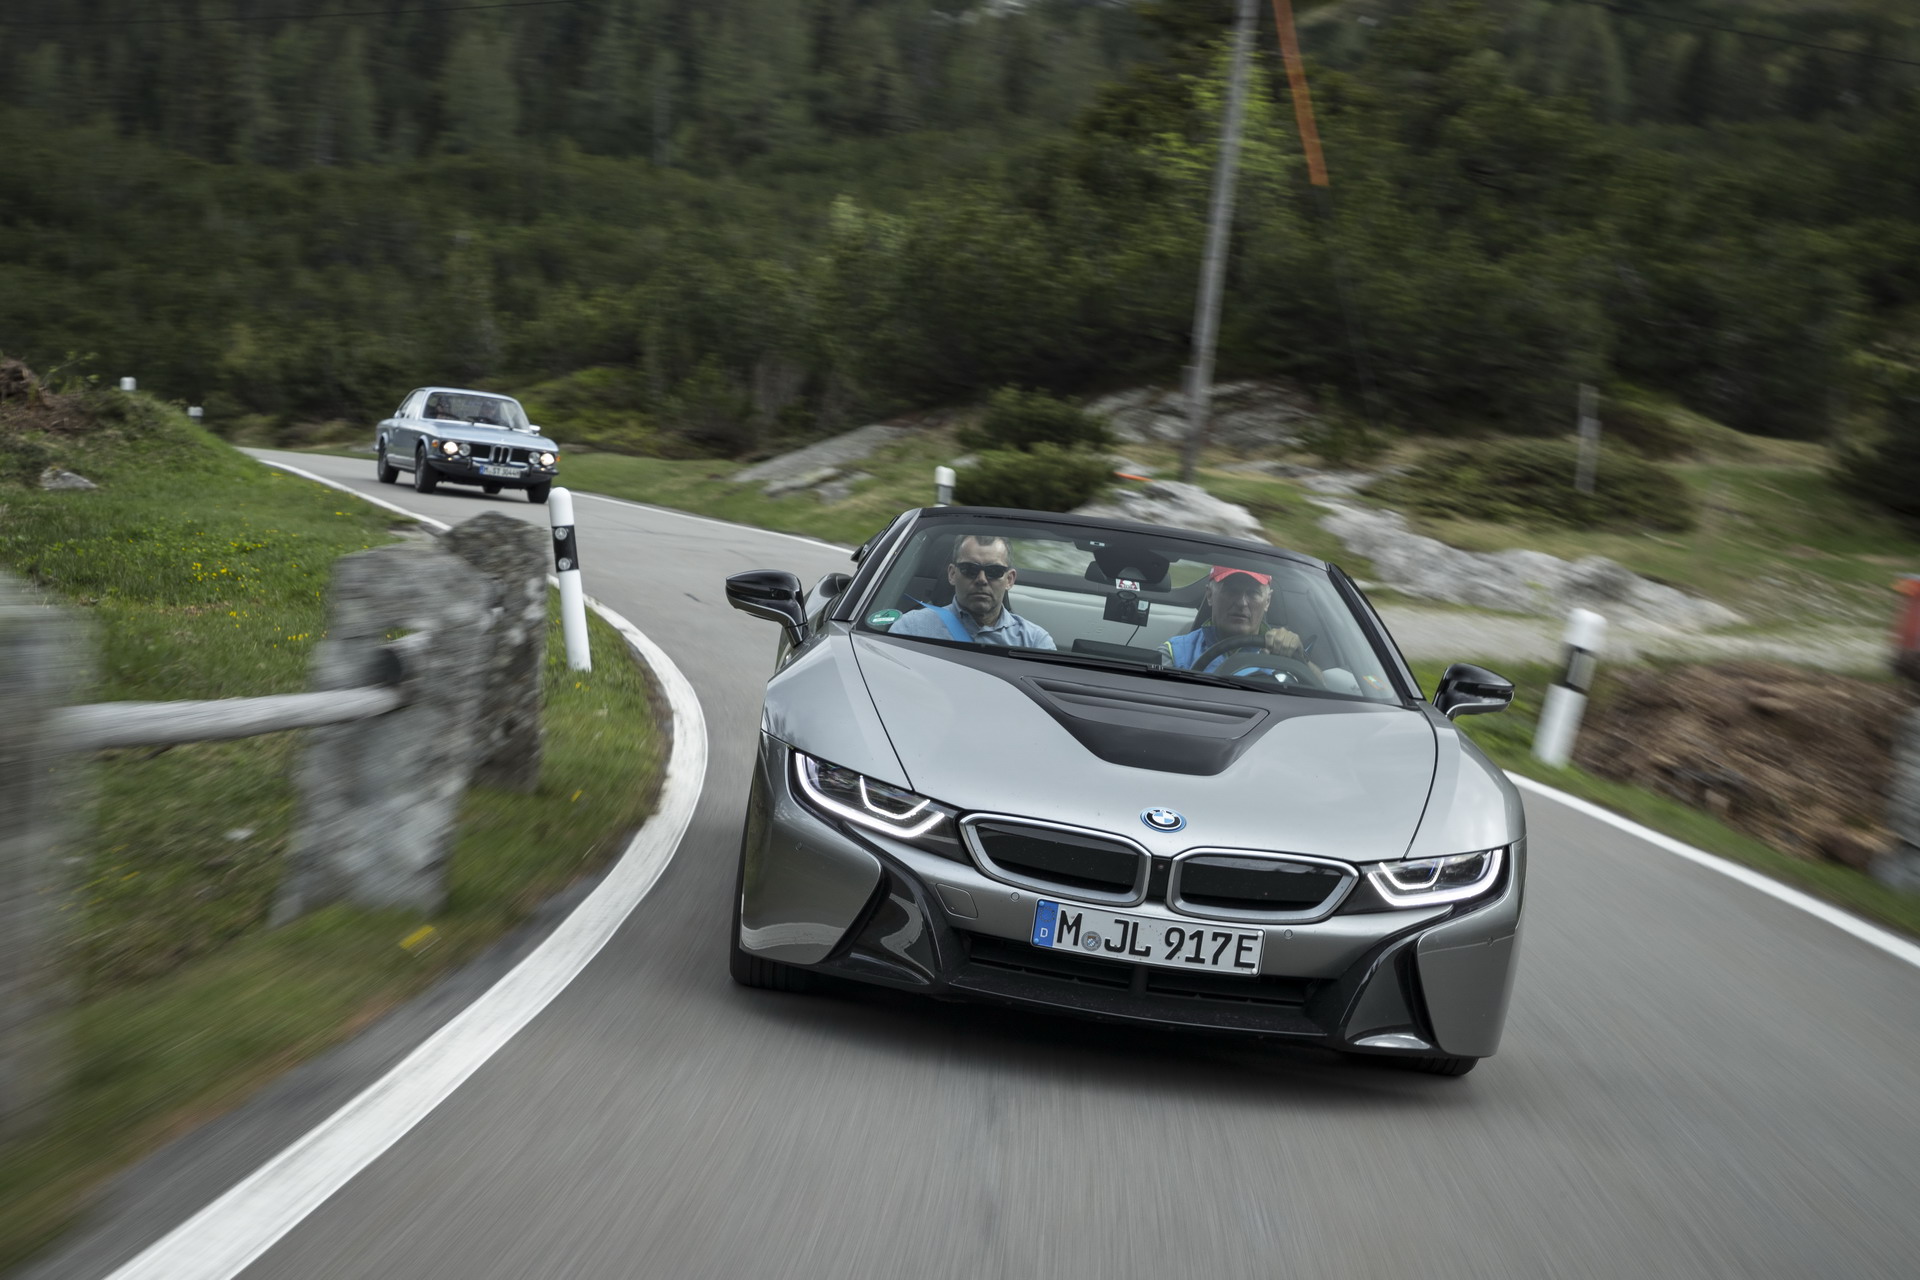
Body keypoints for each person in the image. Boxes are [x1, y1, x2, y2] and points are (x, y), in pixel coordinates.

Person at [889, 534, 1056, 650]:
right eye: (970, 569)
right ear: (952, 574)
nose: (981, 579)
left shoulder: (1035, 641)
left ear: (1009, 580)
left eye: (994, 571)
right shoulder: (911, 628)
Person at [1162, 567, 1311, 673]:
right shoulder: (1176, 652)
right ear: (1209, 595)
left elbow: (1318, 688)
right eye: (1231, 591)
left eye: (1252, 593)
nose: (1242, 602)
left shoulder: (1284, 650)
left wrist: (1300, 658)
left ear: (1267, 601)